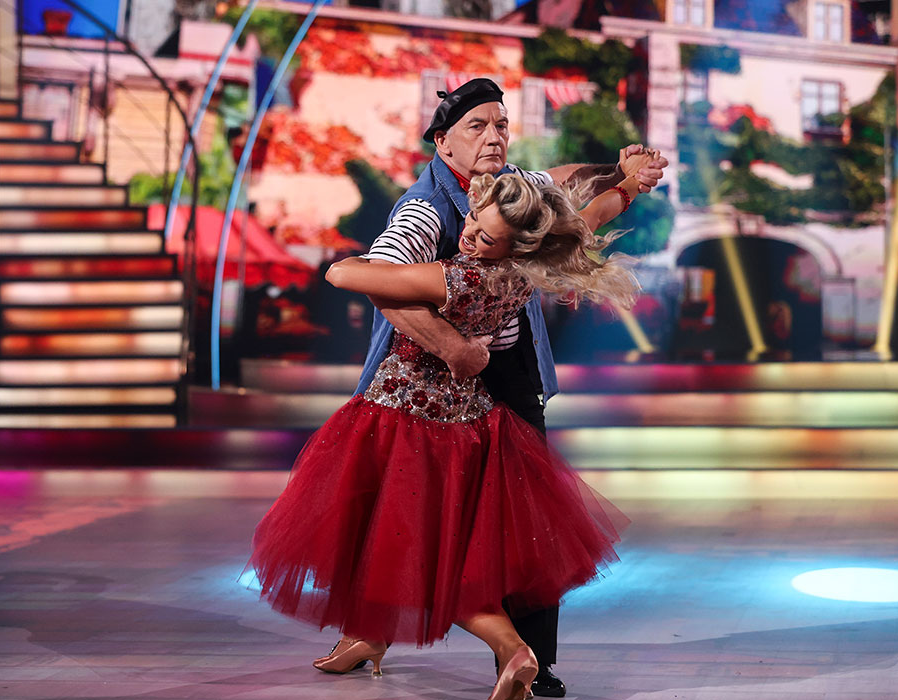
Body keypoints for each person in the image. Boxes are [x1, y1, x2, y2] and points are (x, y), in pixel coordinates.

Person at [248, 156, 654, 700]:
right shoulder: (524, 270)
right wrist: (628, 185)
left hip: (405, 420)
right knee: (388, 539)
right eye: (473, 220)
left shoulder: (458, 278)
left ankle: (514, 650)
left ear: (512, 246)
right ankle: (369, 635)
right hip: (465, 420)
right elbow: (593, 215)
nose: (469, 236)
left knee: (414, 555)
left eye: (486, 237)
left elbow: (341, 273)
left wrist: (374, 267)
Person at [333, 77, 668, 697]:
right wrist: (454, 348)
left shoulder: (507, 191)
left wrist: (618, 176)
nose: (495, 137)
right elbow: (384, 281)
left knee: (515, 518)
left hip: (500, 380)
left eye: (501, 124)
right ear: (442, 142)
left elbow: (559, 184)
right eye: (478, 126)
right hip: (432, 383)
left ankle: (526, 659)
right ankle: (374, 630)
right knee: (403, 510)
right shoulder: (423, 210)